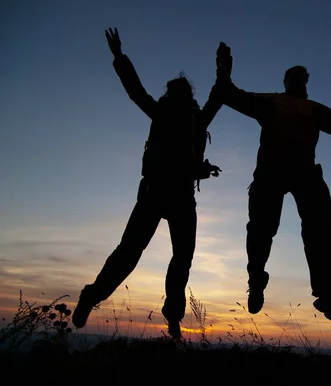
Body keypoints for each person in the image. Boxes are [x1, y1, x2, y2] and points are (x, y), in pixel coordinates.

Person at [72, 28, 225, 340]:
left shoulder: (195, 119)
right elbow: (136, 90)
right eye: (173, 92)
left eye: (178, 92)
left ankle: (171, 317)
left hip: (179, 195)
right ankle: (93, 296)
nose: (175, 96)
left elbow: (215, 99)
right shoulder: (163, 113)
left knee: (178, 257)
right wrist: (119, 57)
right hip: (157, 192)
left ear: (185, 95)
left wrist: (223, 70)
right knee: (132, 252)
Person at [213, 42, 331, 325]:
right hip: (271, 173)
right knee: (261, 230)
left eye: (302, 78)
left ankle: (328, 296)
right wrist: (223, 69)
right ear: (286, 82)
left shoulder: (313, 108)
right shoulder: (270, 101)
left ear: (305, 84)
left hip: (304, 174)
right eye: (294, 78)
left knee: (322, 233)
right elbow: (229, 95)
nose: (299, 82)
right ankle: (256, 280)